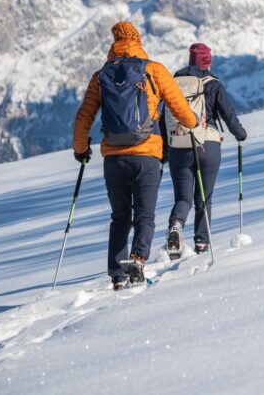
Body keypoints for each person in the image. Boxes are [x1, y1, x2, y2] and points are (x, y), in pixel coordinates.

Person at [73, 21, 199, 290]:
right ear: (137, 41)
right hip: (146, 154)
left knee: (120, 217)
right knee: (144, 215)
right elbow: (178, 105)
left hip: (114, 158)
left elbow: (84, 116)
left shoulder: (100, 76)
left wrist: (81, 149)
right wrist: (193, 122)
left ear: (114, 43)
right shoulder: (153, 69)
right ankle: (138, 260)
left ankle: (118, 276)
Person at [162, 42, 248, 256]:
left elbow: (163, 120)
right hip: (207, 145)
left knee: (183, 198)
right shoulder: (214, 84)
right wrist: (240, 133)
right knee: (204, 197)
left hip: (179, 146)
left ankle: (176, 226)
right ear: (208, 62)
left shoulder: (174, 84)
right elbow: (229, 115)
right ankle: (202, 241)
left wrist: (165, 151)